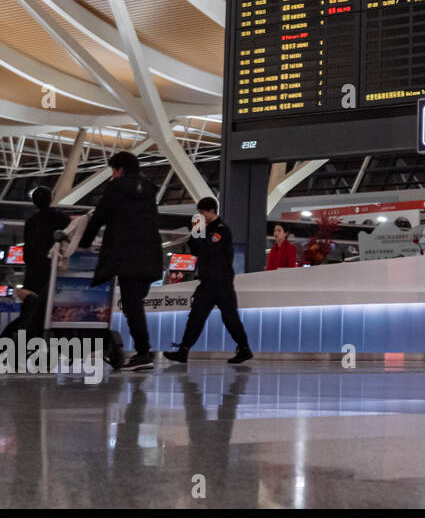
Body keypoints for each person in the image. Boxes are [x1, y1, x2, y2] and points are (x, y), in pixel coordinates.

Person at [81, 152, 163, 371]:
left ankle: (144, 352)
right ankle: (143, 350)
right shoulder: (148, 191)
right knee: (134, 302)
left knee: (132, 304)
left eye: (113, 170)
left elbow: (99, 217)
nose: (113, 175)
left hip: (127, 255)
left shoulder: (115, 188)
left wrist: (84, 242)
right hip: (150, 254)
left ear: (120, 169)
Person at [164, 197, 253, 365]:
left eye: (202, 213)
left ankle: (244, 348)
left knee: (230, 318)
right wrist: (197, 231)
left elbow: (207, 249)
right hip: (206, 283)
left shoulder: (221, 230)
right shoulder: (204, 230)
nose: (200, 216)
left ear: (211, 211)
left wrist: (199, 232)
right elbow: (196, 249)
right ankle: (183, 351)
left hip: (221, 283)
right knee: (196, 316)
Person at [1, 186, 69, 341]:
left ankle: (21, 340)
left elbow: (28, 250)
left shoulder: (32, 222)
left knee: (31, 308)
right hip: (58, 268)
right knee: (54, 307)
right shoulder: (62, 219)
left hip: (36, 271)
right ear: (51, 198)